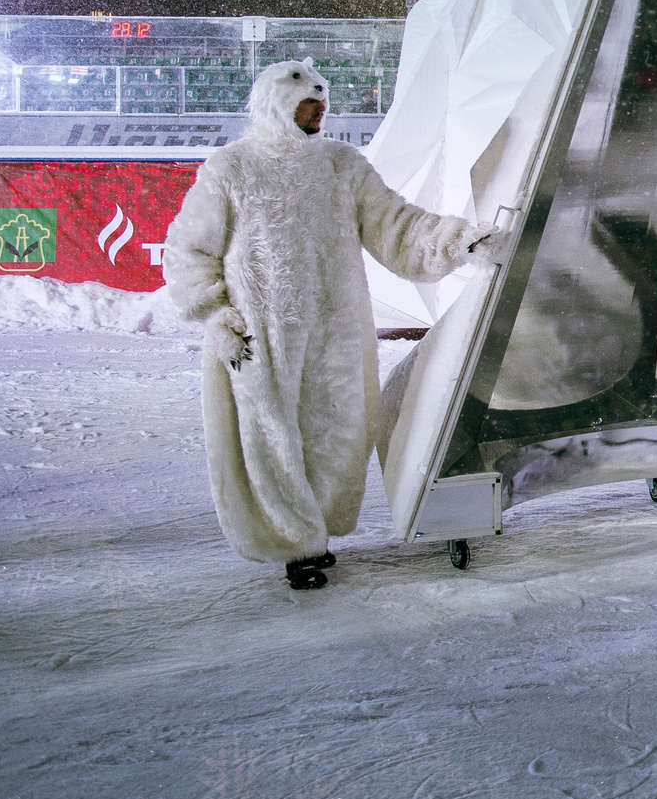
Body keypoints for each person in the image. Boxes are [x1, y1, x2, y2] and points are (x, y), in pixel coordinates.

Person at [163, 60, 495, 590]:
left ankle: (311, 530)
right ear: (276, 104)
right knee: (271, 434)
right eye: (306, 102)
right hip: (260, 332)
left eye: (322, 102)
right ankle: (295, 545)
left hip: (336, 330)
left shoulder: (341, 165)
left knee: (338, 429)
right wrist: (214, 313)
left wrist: (459, 241)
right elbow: (187, 249)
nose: (319, 109)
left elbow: (397, 226)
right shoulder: (232, 168)